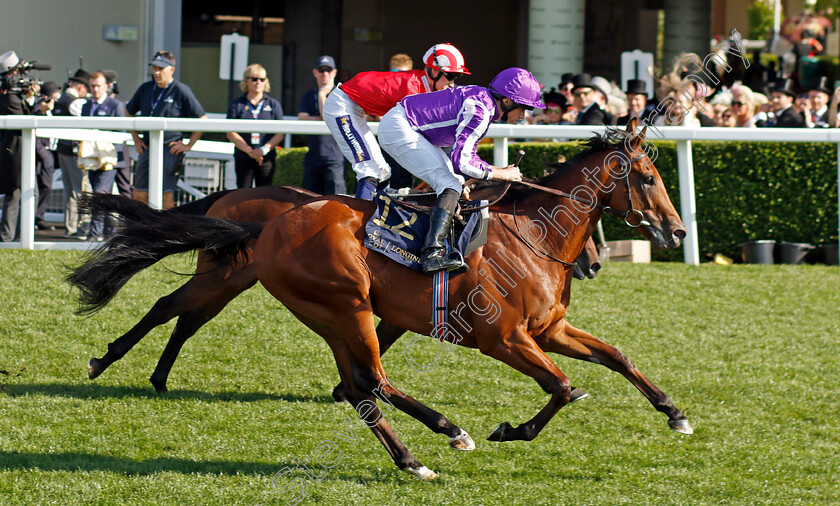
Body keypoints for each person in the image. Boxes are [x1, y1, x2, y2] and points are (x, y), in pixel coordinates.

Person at [379, 67, 543, 274]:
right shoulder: (480, 110)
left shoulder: (484, 102)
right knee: (449, 183)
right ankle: (431, 254)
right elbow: (462, 162)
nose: (524, 115)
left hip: (409, 126)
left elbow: (460, 157)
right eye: (524, 108)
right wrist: (501, 173)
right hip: (400, 128)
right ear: (508, 101)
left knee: (454, 182)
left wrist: (474, 176)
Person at [323, 43, 469, 199]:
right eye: (451, 76)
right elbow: (426, 143)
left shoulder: (424, 87)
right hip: (341, 105)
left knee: (382, 171)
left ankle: (379, 214)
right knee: (369, 170)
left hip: (354, 105)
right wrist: (455, 180)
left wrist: (454, 178)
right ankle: (362, 221)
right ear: (434, 71)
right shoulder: (413, 90)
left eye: (457, 77)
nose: (453, 83)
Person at [126, 50, 207, 209]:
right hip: (148, 147)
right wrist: (136, 139)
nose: (156, 72)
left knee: (165, 197)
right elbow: (128, 112)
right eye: (154, 68)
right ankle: (143, 230)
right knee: (139, 194)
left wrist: (188, 145)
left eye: (161, 68)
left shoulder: (181, 90)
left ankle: (167, 232)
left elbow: (202, 120)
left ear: (172, 69)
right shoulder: (146, 88)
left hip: (169, 150)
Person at [79, 71, 126, 241]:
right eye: (92, 86)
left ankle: (95, 233)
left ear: (106, 86)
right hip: (92, 158)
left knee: (99, 194)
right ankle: (109, 231)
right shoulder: (85, 106)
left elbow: (122, 131)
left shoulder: (115, 105)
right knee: (101, 194)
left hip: (109, 157)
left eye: (98, 85)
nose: (95, 89)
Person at [225, 64, 285, 188]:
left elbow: (280, 133)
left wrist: (262, 150)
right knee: (242, 195)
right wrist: (250, 151)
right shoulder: (236, 104)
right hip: (243, 155)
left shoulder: (274, 105)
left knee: (264, 195)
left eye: (262, 79)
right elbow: (230, 132)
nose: (258, 82)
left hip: (266, 157)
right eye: (254, 79)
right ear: (246, 81)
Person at [298, 55, 346, 195]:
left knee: (336, 203)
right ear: (315, 73)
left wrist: (322, 95)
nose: (325, 73)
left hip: (335, 158)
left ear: (335, 72)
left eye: (328, 70)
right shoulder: (307, 96)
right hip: (313, 157)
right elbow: (302, 119)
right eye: (321, 70)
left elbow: (327, 118)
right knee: (309, 204)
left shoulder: (342, 95)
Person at [54, 68, 90, 238]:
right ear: (82, 88)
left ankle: (70, 227)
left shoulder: (61, 100)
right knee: (80, 190)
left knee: (69, 191)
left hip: (62, 149)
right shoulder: (76, 102)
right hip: (74, 152)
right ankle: (82, 227)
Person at [34, 81, 60, 230]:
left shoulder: (54, 108)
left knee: (46, 186)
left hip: (49, 153)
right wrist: (44, 154)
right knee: (42, 186)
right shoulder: (39, 107)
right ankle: (36, 216)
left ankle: (39, 216)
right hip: (42, 154)